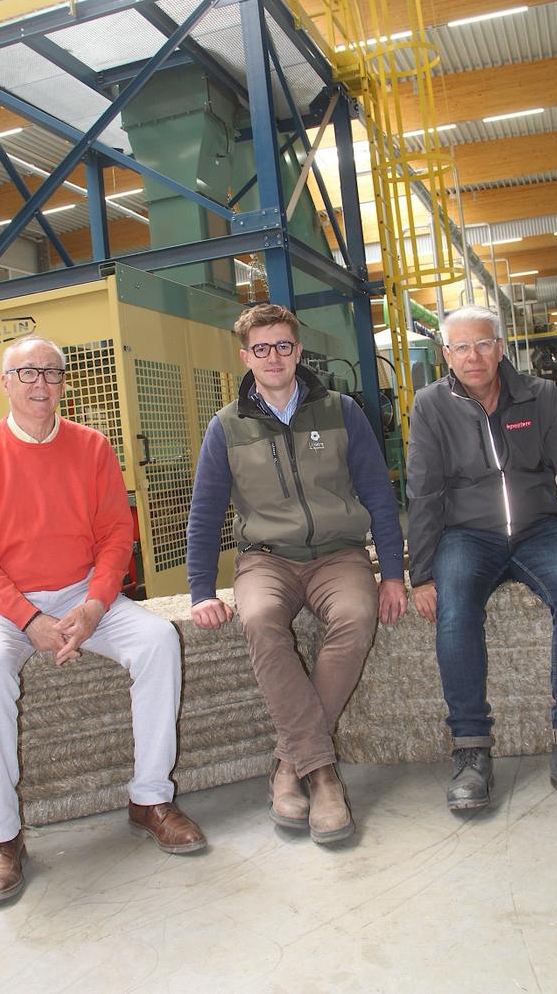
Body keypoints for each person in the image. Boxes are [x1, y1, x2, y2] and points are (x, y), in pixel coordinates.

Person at [0, 336, 206, 905]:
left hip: (82, 592)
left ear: (64, 383)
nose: (40, 383)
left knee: (159, 640)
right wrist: (27, 619)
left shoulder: (92, 447)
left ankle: (150, 798)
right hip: (5, 604)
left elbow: (115, 533)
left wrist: (94, 605)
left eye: (51, 372)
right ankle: (3, 835)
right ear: (6, 383)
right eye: (27, 373)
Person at [187, 304, 407, 844]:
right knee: (260, 619)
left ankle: (291, 763)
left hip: (339, 554)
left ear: (298, 351)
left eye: (283, 346)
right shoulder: (225, 427)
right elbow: (206, 511)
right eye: (261, 348)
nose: (273, 357)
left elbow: (378, 493)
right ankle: (324, 776)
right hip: (266, 558)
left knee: (356, 616)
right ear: (246, 357)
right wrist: (200, 591)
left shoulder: (341, 411)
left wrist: (393, 573)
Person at [407, 306, 557, 814]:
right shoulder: (431, 405)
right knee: (455, 609)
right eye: (461, 347)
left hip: (540, 530)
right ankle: (471, 752)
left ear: (501, 347)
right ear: (446, 354)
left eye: (483, 344)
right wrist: (421, 574)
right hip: (467, 536)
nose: (473, 356)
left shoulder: (540, 396)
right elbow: (423, 492)